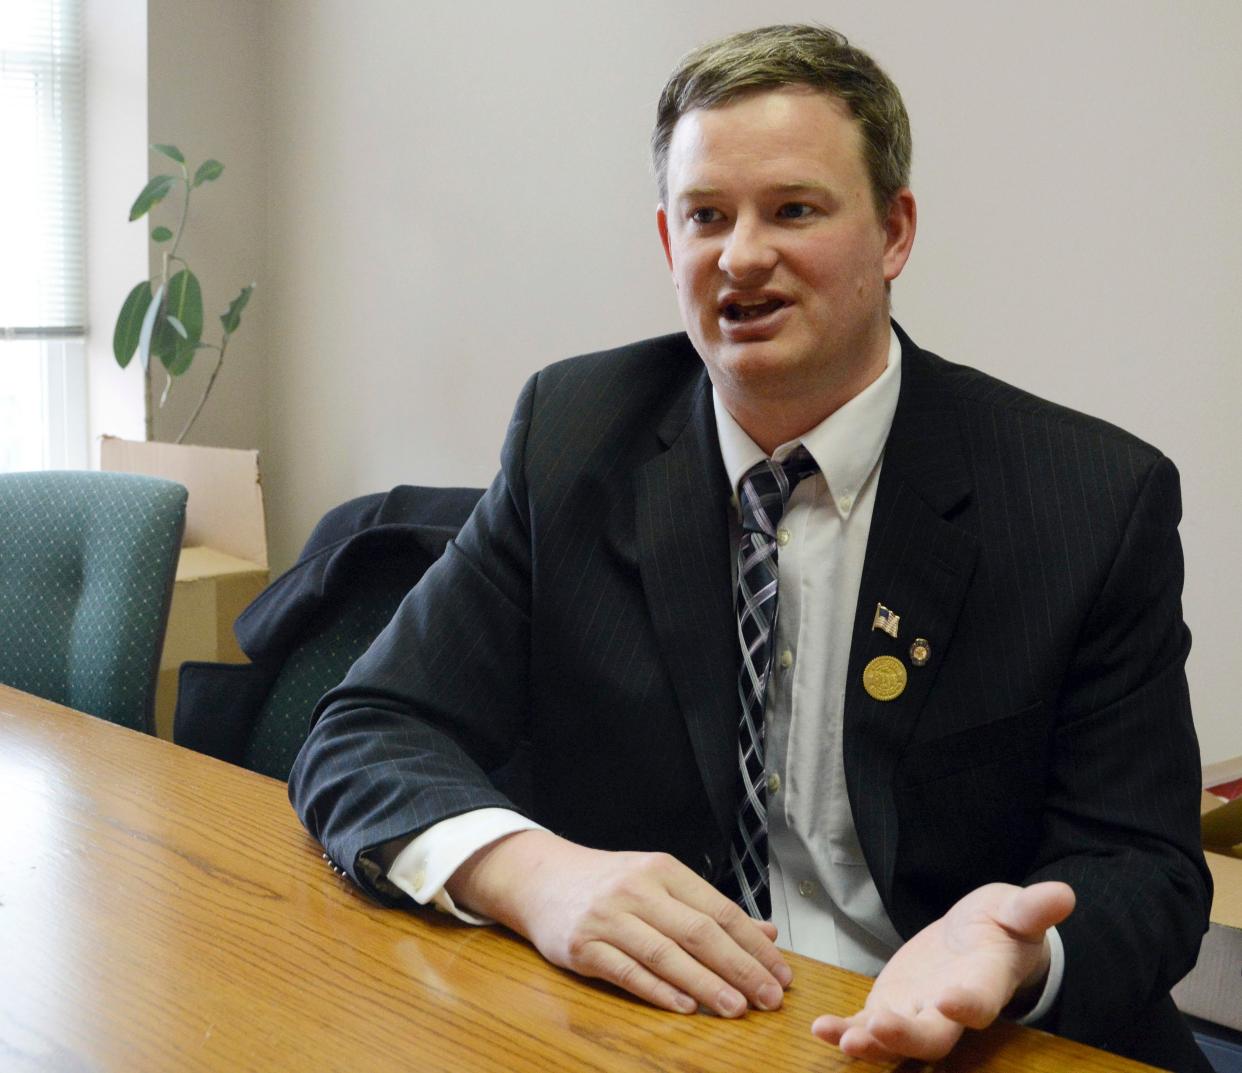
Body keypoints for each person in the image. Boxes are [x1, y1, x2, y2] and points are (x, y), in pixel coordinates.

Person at [289, 24, 1211, 1071]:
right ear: (667, 241)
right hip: (673, 1027)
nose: (742, 255)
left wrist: (1017, 953)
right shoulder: (572, 435)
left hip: (975, 1044)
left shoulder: (1087, 499)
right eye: (706, 217)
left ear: (895, 232)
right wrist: (538, 874)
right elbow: (363, 728)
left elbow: (1150, 867)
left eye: (795, 209)